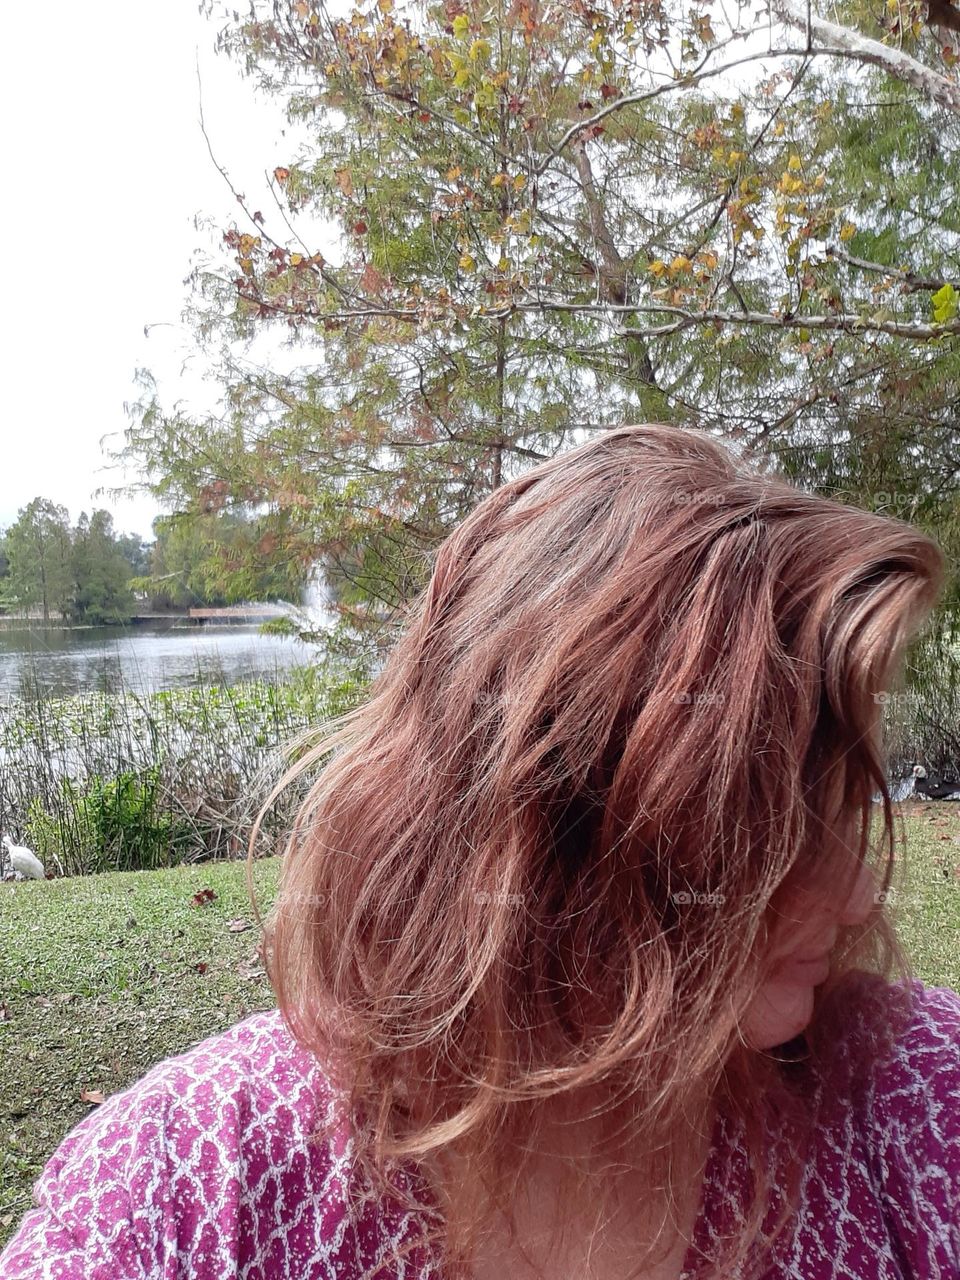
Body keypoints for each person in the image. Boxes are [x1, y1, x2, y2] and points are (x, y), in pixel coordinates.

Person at [1, 422, 958, 1280]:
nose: (862, 895)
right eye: (781, 834)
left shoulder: (919, 1100)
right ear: (550, 838)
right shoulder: (192, 1182)